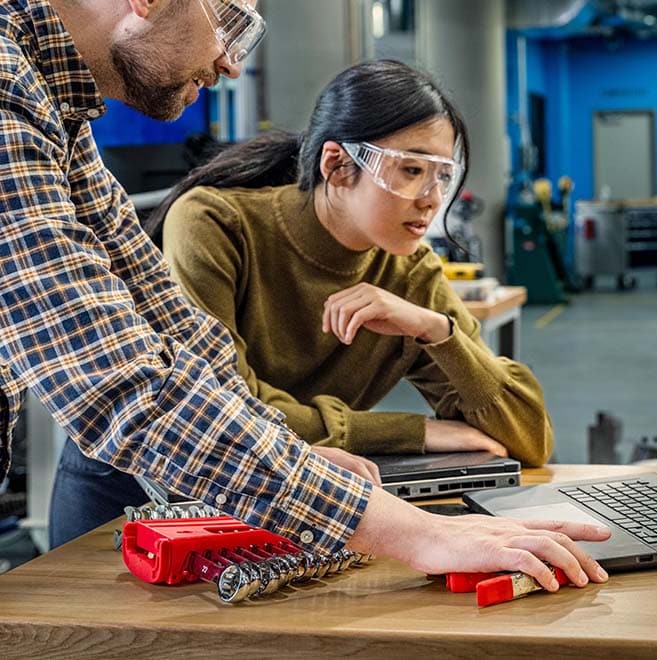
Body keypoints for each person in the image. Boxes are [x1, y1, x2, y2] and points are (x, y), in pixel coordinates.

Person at [2, 0, 607, 593]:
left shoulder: (59, 115)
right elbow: (125, 385)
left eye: (441, 175)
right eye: (227, 20)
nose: (231, 63)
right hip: (137, 499)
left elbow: (186, 338)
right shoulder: (10, 93)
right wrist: (415, 527)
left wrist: (297, 448)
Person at [50, 58, 556, 542]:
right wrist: (413, 432)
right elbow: (221, 410)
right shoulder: (214, 223)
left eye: (442, 173)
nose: (432, 197)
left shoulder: (410, 272)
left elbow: (530, 439)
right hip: (141, 491)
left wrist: (438, 331)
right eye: (410, 170)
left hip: (278, 497)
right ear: (337, 165)